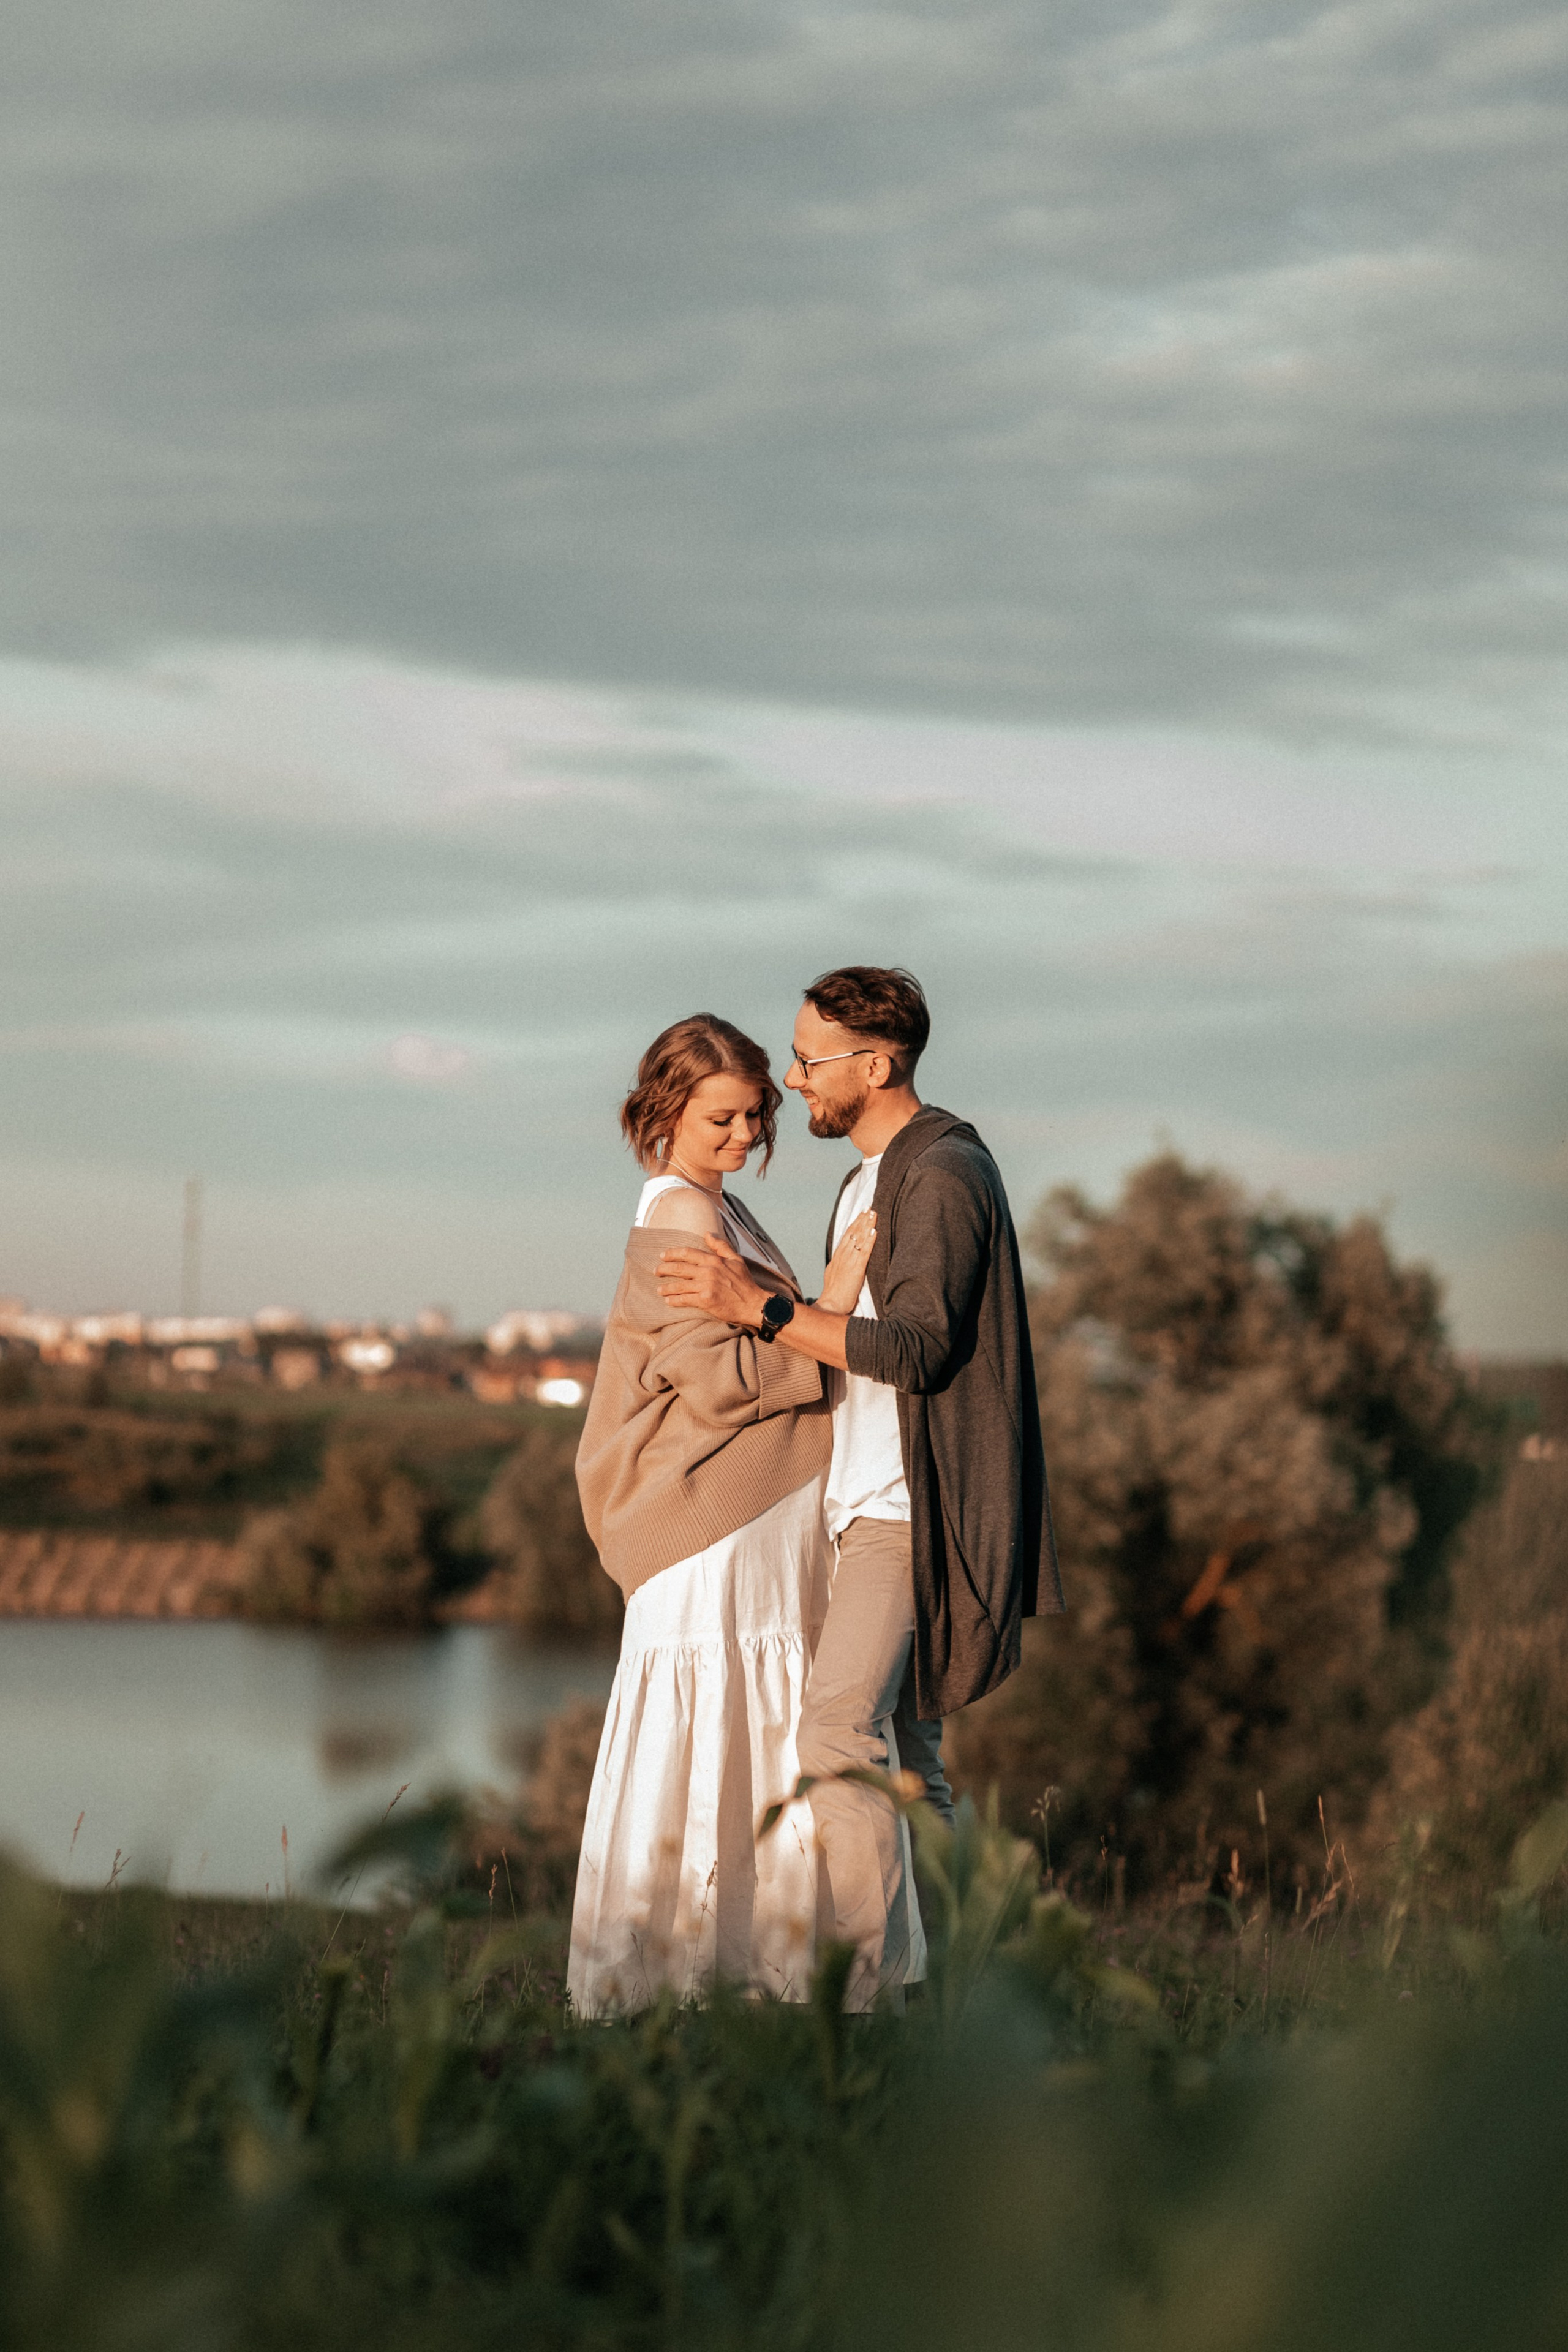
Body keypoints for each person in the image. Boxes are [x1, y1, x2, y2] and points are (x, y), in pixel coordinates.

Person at [657, 966, 1061, 2008]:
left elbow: (918, 1351)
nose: (793, 1082)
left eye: (809, 1061)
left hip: (907, 1513)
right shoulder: (868, 1181)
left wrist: (762, 1310)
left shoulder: (944, 1175)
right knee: (912, 1768)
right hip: (860, 1508)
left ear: (875, 1067)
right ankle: (958, 2003)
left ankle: (872, 2003)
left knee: (835, 1735)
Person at [568, 1012, 888, 2015]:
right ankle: (683, 1984)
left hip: (754, 1524)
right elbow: (714, 1383)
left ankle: (748, 1978)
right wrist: (829, 1313)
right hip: (711, 1526)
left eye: (756, 1115)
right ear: (665, 1111)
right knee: (711, 1737)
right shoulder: (679, 1212)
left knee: (748, 1738)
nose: (747, 1134)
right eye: (724, 1118)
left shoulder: (719, 1207)